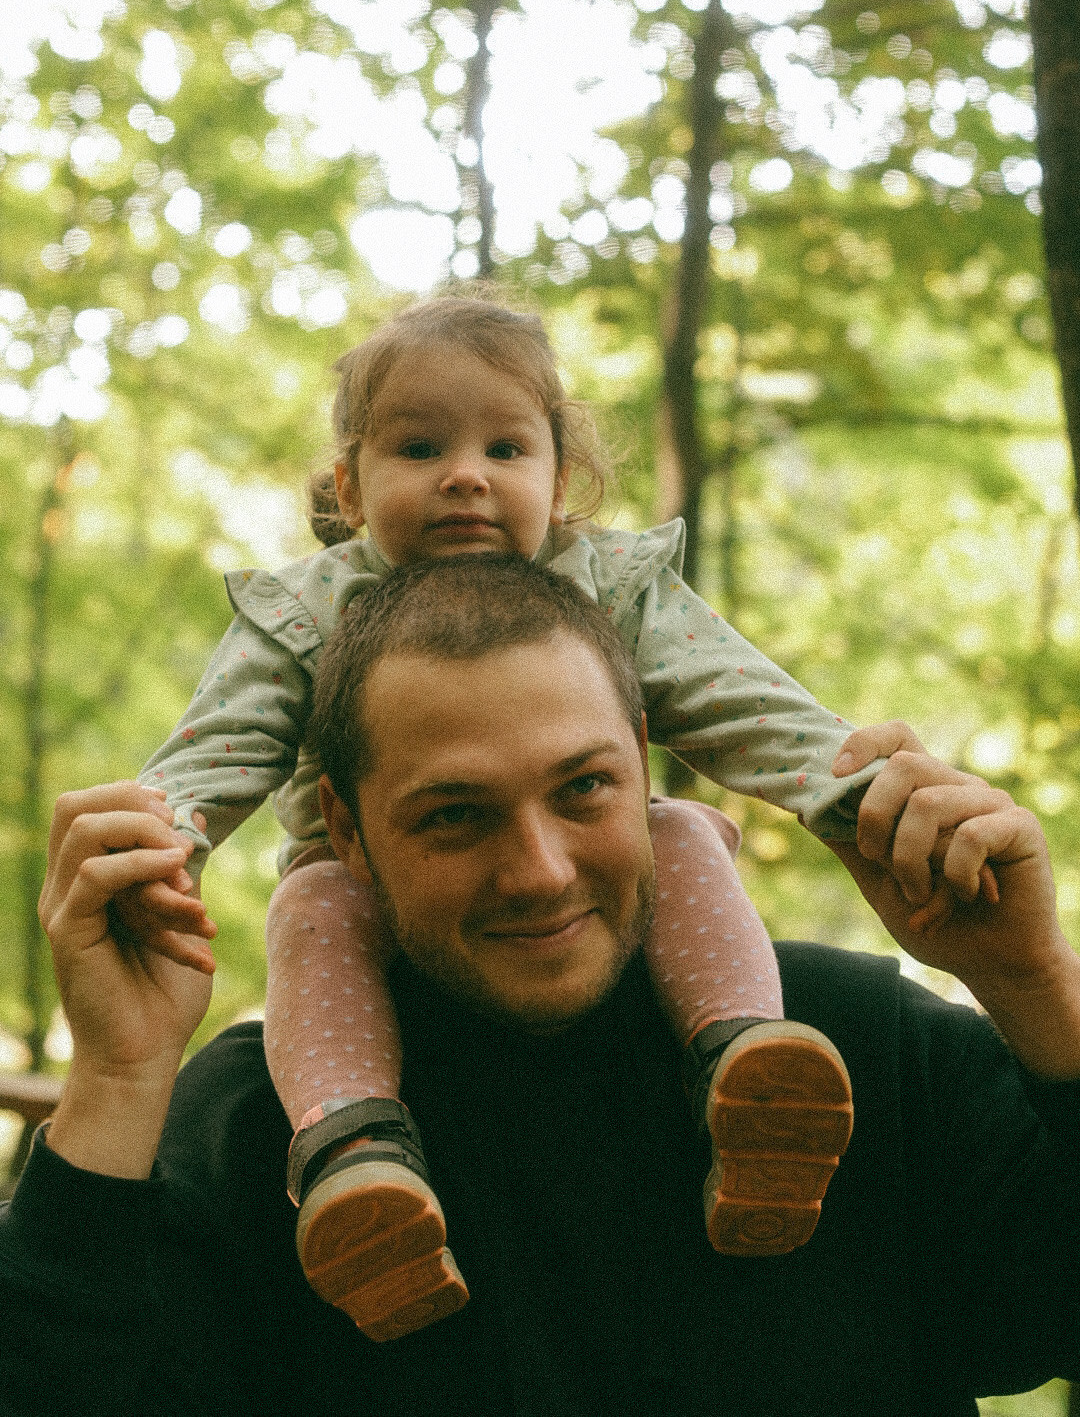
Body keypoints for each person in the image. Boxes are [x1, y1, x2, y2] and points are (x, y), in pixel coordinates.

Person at [2, 556, 1078, 1417]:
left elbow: (1042, 1319)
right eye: (455, 814)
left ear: (645, 761)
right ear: (346, 831)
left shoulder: (855, 1049)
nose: (542, 870)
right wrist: (118, 1075)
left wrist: (1034, 982)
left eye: (583, 788)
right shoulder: (250, 1139)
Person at [129, 293, 894, 1337]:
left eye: (504, 445)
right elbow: (219, 744)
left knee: (675, 832)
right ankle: (354, 1155)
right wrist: (160, 838)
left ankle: (747, 1067)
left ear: (560, 479)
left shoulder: (608, 588)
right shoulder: (309, 611)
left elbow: (738, 697)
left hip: (647, 923)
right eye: (419, 446)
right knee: (311, 910)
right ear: (351, 486)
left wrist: (846, 788)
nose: (464, 472)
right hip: (364, 889)